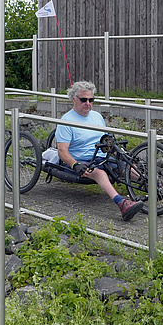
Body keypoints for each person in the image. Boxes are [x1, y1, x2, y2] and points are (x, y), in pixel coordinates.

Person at [55, 81, 145, 221]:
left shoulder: (96, 116)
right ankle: (122, 203)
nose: (88, 103)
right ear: (74, 98)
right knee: (100, 173)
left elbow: (105, 141)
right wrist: (75, 164)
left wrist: (116, 151)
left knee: (126, 168)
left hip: (101, 156)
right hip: (81, 161)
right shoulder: (66, 121)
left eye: (91, 100)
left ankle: (158, 187)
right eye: (83, 100)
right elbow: (62, 151)